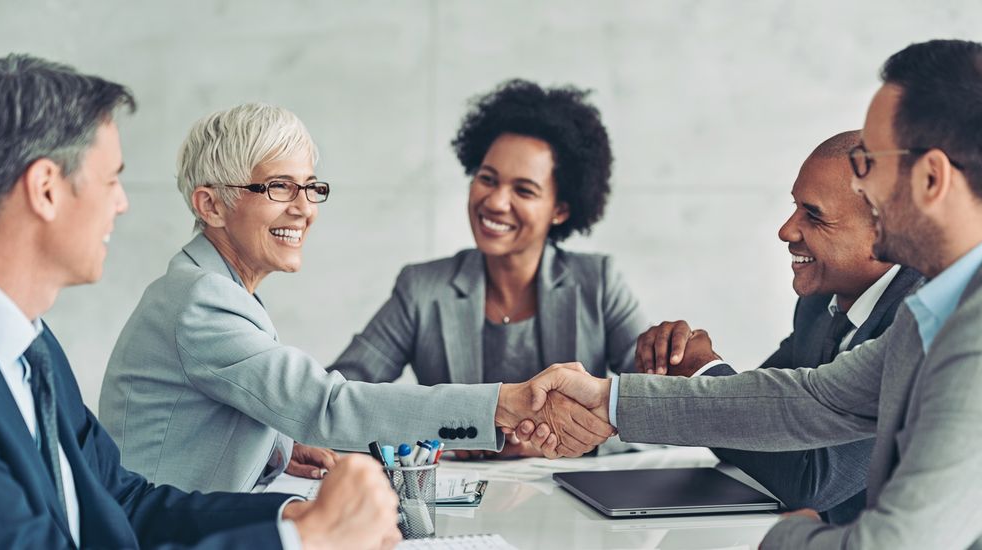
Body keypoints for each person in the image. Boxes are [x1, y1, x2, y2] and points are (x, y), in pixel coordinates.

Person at [524, 39, 982, 548]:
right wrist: (610, 399)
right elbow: (812, 399)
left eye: (868, 162)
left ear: (932, 179)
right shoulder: (949, 302)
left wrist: (787, 534)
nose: (861, 183)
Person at [0, 54, 400, 550]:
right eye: (111, 180)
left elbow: (125, 503)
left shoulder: (34, 348)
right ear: (46, 190)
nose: (122, 203)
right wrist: (302, 540)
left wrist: (292, 515)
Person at [98, 101, 613, 493]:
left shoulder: (212, 288)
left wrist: (278, 449)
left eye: (310, 187)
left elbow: (218, 414)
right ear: (211, 205)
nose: (305, 209)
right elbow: (329, 403)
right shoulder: (203, 301)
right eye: (279, 187)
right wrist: (503, 405)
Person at [329, 79, 645, 458]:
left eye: (524, 190)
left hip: (570, 493)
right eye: (487, 179)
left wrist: (561, 443)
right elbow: (340, 400)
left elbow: (658, 413)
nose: (495, 202)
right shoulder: (422, 289)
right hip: (456, 494)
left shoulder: (599, 283)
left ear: (560, 209)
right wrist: (446, 434)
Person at [634, 130, 922, 524]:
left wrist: (702, 372)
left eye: (813, 215)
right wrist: (680, 365)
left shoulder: (920, 320)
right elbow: (753, 428)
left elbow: (813, 480)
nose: (786, 230)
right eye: (794, 207)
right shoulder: (818, 305)